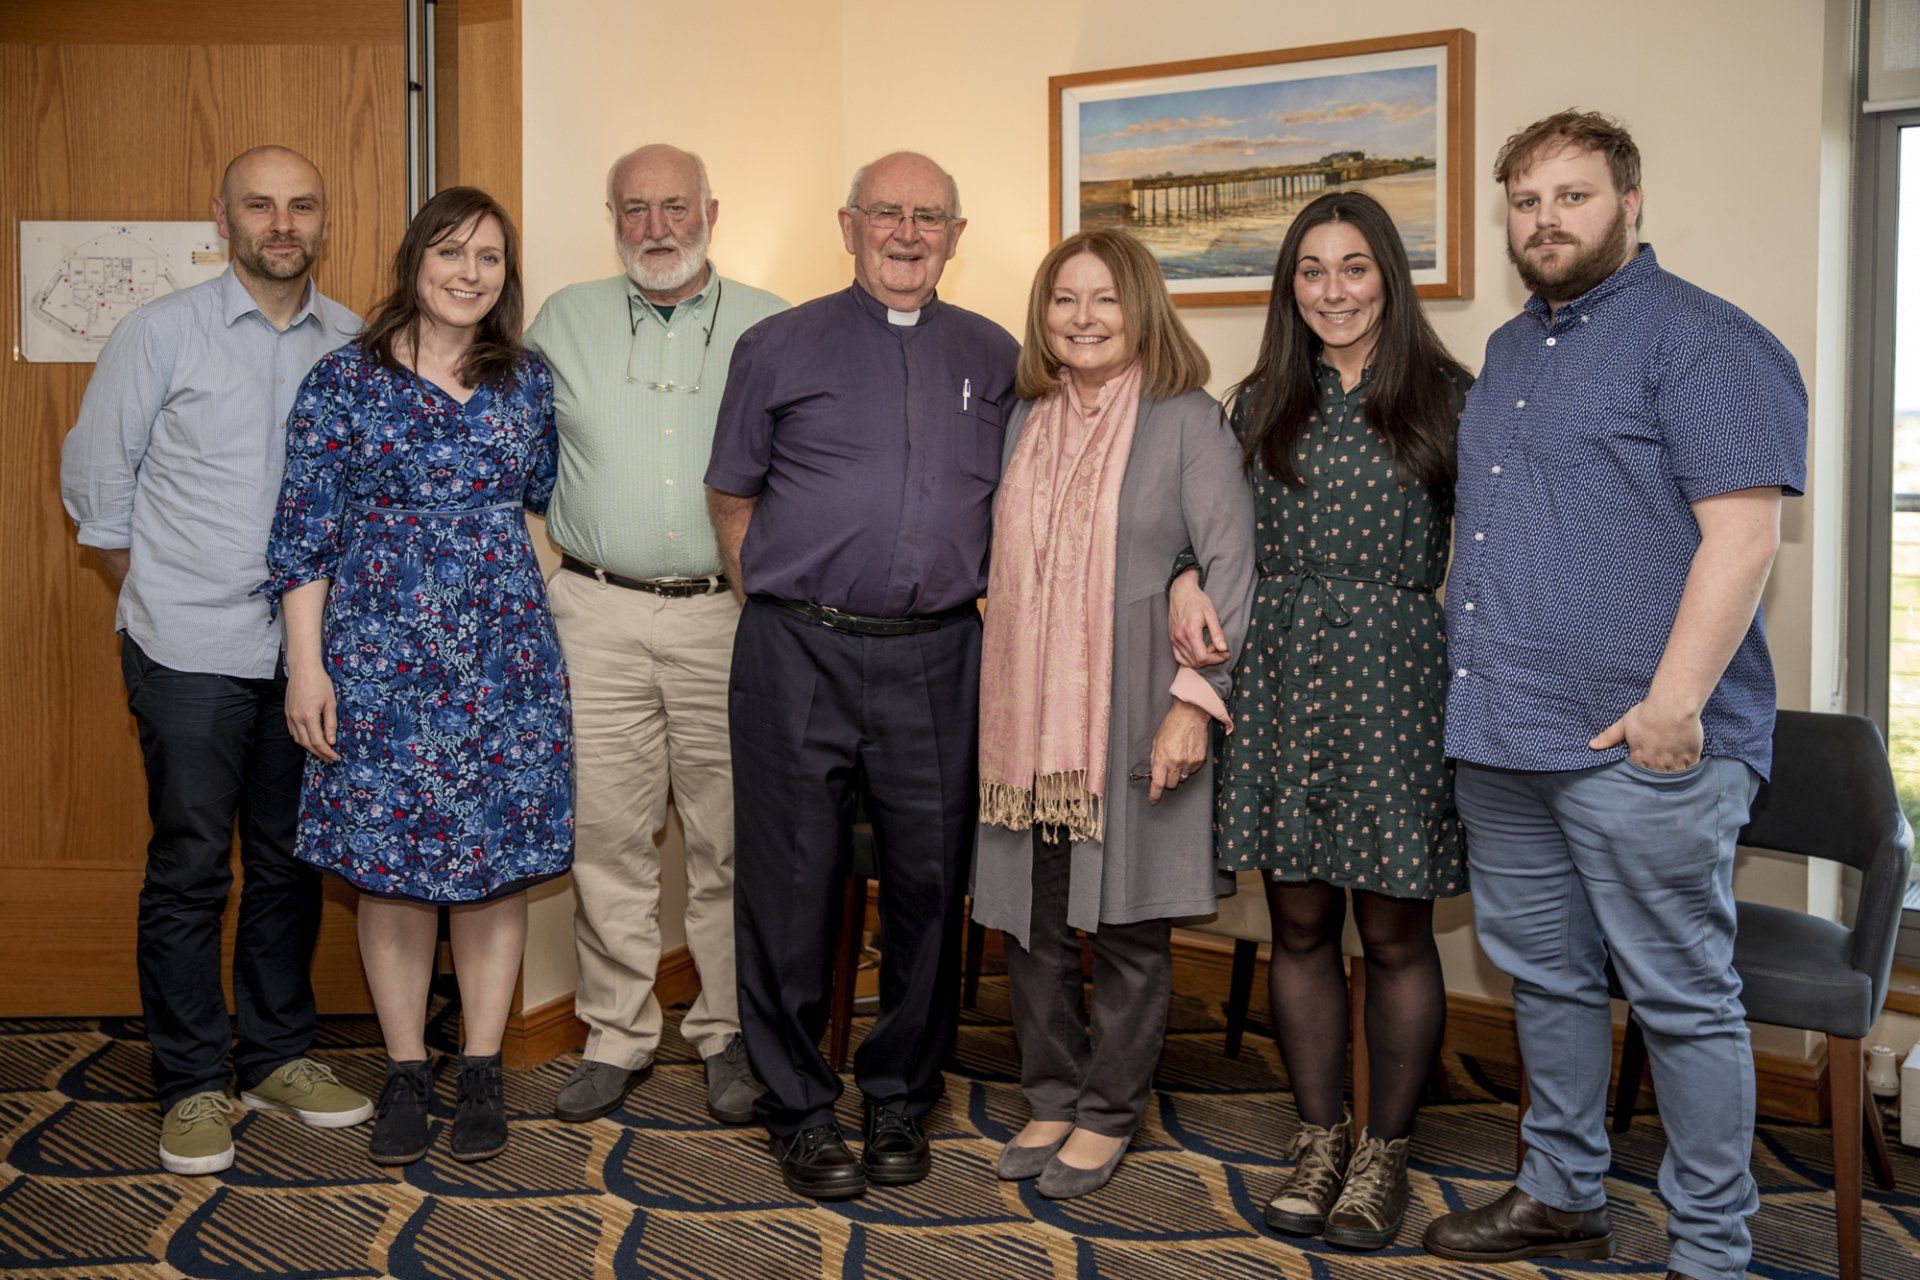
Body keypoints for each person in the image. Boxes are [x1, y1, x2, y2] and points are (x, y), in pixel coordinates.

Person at [1422, 112, 1805, 1280]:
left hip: (1641, 746)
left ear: (1630, 203)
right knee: (1546, 980)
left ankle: (1711, 1249)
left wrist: (1673, 706)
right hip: (1506, 735)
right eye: (1526, 201)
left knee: (1681, 999)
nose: (1545, 221)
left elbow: (1743, 539)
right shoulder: (1510, 349)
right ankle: (1561, 1193)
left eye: (1573, 196)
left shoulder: (1705, 340)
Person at [705, 152, 1018, 1200]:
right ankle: (797, 1106)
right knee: (790, 884)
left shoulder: (997, 355)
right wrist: (777, 600)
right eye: (886, 213)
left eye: (929, 216)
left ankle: (899, 1097)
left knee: (931, 881)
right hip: (797, 649)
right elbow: (732, 496)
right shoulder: (776, 346)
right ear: (848, 226)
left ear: (956, 236)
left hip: (939, 653)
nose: (907, 233)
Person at [59, 145, 373, 1176]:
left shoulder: (357, 343)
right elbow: (97, 492)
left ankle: (277, 1055)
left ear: (323, 219)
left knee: (289, 862)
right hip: (189, 648)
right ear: (222, 216)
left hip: (310, 658)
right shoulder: (159, 334)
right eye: (260, 205)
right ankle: (192, 1079)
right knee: (192, 865)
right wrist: (171, 592)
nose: (282, 224)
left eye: (301, 206)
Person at [1167, 190, 1471, 1248]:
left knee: (1392, 933)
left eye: (1354, 268)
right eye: (1311, 270)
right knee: (1296, 923)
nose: (1333, 290)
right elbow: (1200, 532)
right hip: (1280, 681)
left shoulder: (1452, 399)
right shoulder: (1256, 401)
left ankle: (1384, 1152)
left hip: (1397, 682)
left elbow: (1500, 554)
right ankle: (1317, 1137)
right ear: (1288, 285)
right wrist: (1182, 578)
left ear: (1388, 275)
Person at [263, 186, 574, 1167]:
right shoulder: (343, 381)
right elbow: (303, 537)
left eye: (489, 256)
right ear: (415, 261)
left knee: (492, 871)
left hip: (504, 662)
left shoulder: (526, 381)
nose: (469, 273)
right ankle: (405, 1068)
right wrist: (307, 669)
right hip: (378, 664)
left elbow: (547, 498)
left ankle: (480, 1067)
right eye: (450, 251)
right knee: (389, 873)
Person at [972, 229, 1253, 1200]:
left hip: (1137, 703)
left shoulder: (1187, 419)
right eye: (1064, 299)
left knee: (1129, 926)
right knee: (1032, 919)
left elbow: (1230, 565)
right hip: (1026, 713)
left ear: (1142, 308)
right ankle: (1051, 1092)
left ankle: (1108, 1110)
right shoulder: (1026, 416)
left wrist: (1193, 706)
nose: (1083, 318)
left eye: (1105, 299)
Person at [524, 144, 786, 1127]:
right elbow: (516, 456)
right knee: (607, 834)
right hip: (596, 611)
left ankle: (727, 1029)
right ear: (613, 218)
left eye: (676, 205)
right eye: (635, 208)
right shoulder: (562, 320)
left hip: (730, 615)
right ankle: (616, 1032)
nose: (657, 227)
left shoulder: (773, 322)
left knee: (731, 837)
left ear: (712, 210)